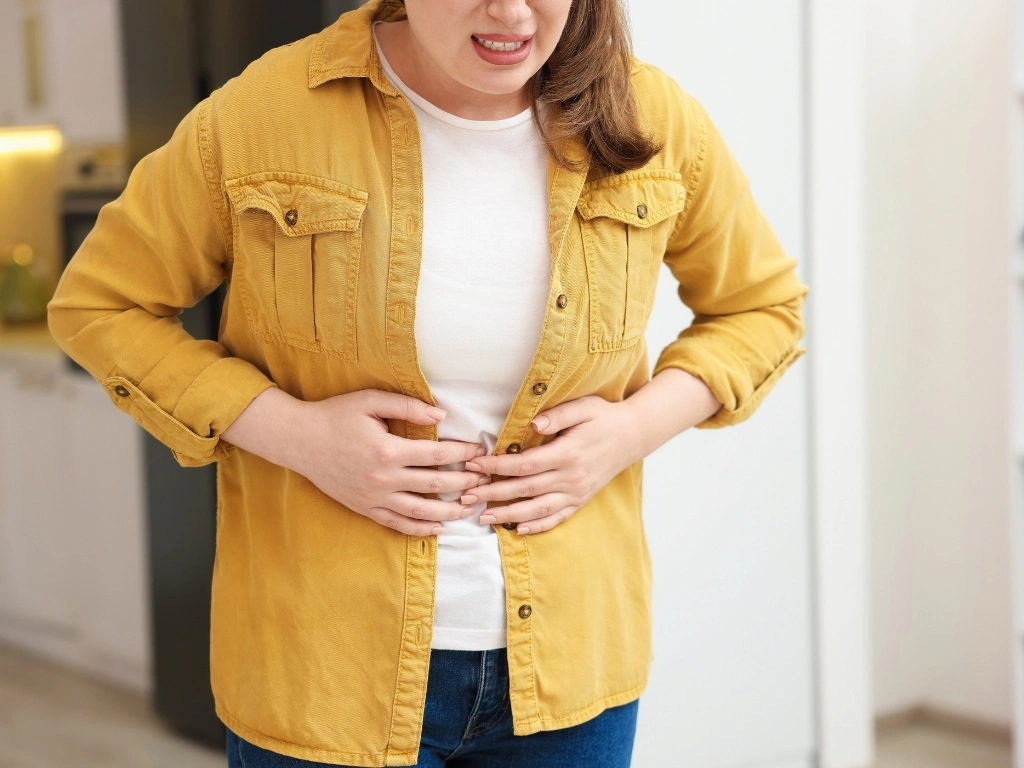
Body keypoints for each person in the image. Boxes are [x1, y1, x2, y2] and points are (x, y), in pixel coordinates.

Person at [47, 0, 808, 765]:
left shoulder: (654, 118)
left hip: (572, 677)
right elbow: (102, 305)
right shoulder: (264, 115)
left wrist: (628, 433)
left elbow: (763, 309)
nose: (510, 11)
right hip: (325, 674)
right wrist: (297, 435)